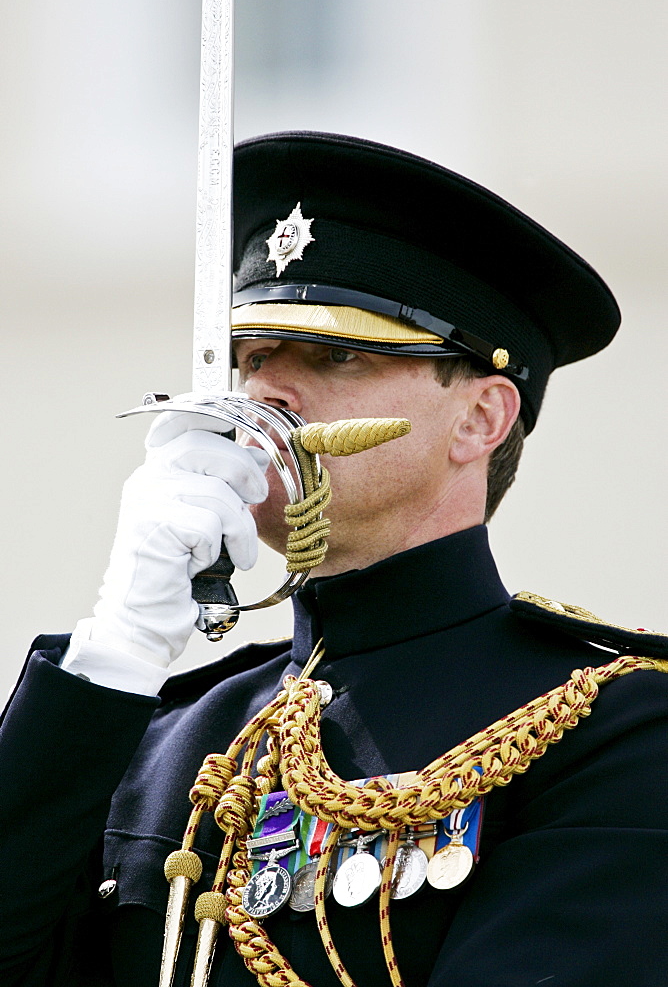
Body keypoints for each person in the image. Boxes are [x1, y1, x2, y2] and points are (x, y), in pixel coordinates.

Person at [1, 131, 667, 987]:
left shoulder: (612, 731)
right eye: (251, 358)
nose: (264, 395)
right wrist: (116, 652)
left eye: (336, 355)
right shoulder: (168, 734)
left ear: (480, 420)